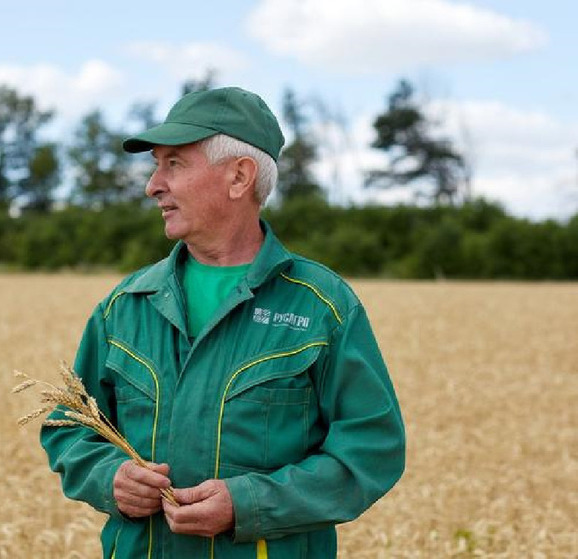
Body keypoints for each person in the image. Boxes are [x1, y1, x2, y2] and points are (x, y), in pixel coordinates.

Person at [41, 86, 405, 559]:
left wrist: (249, 504)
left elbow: (371, 449)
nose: (153, 184)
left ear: (239, 177)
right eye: (156, 165)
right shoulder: (125, 306)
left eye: (174, 164)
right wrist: (109, 477)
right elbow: (68, 427)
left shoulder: (323, 308)